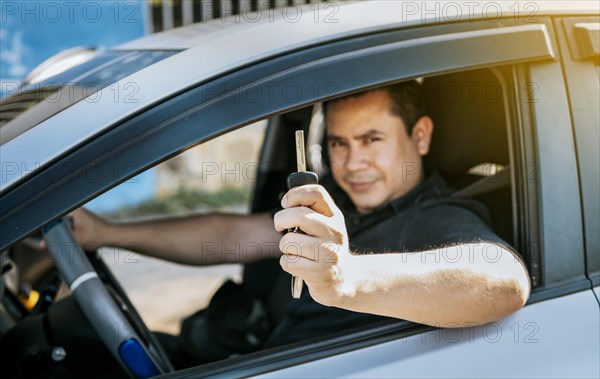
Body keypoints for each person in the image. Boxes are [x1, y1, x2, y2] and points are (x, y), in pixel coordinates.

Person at [70, 81, 530, 365]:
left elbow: (504, 281)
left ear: (421, 136)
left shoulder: (437, 217)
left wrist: (347, 278)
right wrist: (109, 233)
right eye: (338, 143)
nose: (353, 163)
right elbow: (234, 236)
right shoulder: (337, 203)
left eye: (372, 139)